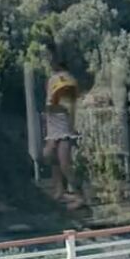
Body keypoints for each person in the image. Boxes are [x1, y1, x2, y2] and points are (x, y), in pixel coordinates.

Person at [43, 58, 81, 206]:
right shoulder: (54, 79)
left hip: (63, 127)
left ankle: (79, 195)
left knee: (64, 163)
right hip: (55, 125)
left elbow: (65, 105)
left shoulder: (65, 79)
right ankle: (60, 190)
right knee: (54, 160)